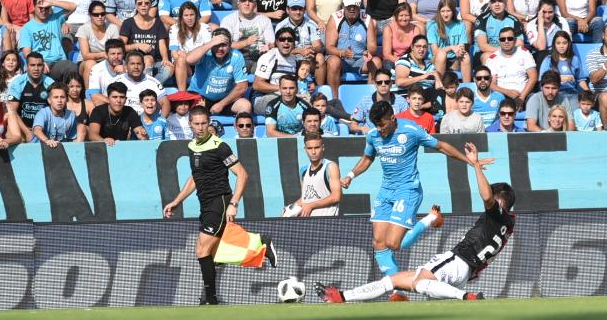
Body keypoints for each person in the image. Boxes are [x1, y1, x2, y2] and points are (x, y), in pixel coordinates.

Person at [319, 144, 511, 303]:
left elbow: (487, 196)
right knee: (392, 281)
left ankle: (466, 297)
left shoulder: (498, 213)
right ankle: (343, 297)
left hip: (458, 261)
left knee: (420, 284)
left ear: (500, 202)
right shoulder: (508, 224)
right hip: (464, 269)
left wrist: (476, 165)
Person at [339, 100, 486, 296]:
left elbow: (441, 146)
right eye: (376, 125)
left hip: (408, 191)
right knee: (378, 242)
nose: (379, 129)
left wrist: (470, 162)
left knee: (393, 244)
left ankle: (431, 218)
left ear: (392, 118)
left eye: (382, 124)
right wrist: (350, 175)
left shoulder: (411, 130)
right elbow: (367, 158)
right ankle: (397, 294)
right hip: (386, 191)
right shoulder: (373, 136)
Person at [163, 105, 277, 305]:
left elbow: (242, 174)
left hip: (220, 200)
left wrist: (233, 203)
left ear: (209, 124)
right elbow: (195, 178)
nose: (200, 128)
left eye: (203, 123)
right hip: (205, 203)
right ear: (189, 124)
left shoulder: (220, 146)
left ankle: (211, 297)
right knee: (214, 253)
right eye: (196, 124)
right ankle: (260, 242)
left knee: (201, 250)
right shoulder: (192, 146)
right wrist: (177, 200)